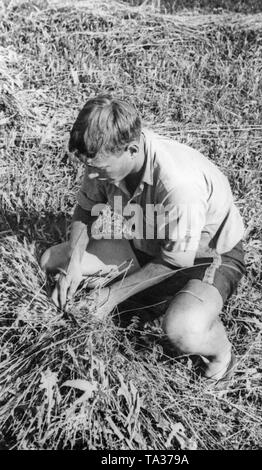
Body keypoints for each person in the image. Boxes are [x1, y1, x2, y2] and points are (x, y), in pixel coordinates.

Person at [40, 93, 246, 382]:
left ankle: (221, 354)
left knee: (183, 330)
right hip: (150, 241)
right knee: (53, 260)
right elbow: (85, 212)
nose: (91, 176)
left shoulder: (178, 185)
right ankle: (153, 296)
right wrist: (74, 263)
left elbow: (175, 259)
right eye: (88, 167)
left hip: (207, 256)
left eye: (98, 170)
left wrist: (108, 297)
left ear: (133, 149)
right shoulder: (103, 160)